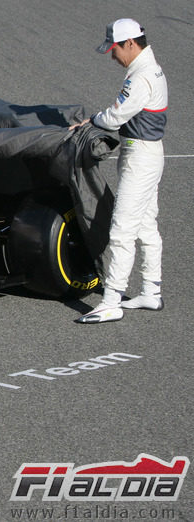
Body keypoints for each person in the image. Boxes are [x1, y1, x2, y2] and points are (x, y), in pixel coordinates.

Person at [72, 18, 168, 323]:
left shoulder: (140, 77)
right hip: (149, 153)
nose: (114, 56)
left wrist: (91, 121)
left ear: (130, 44)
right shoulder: (151, 68)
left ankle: (112, 299)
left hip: (140, 156)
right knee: (145, 225)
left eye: (115, 49)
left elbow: (115, 118)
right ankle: (151, 292)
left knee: (122, 229)